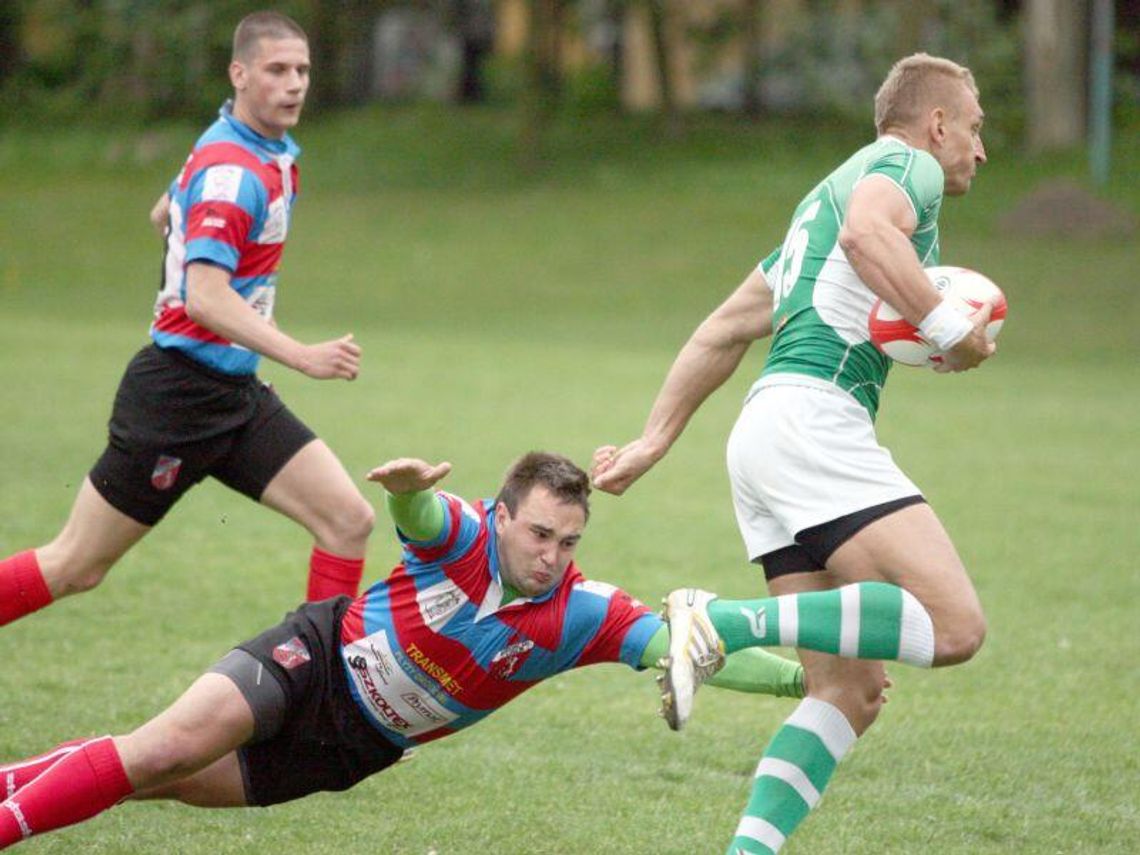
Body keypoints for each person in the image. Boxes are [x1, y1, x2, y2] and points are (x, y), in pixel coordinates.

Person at [592, 53, 995, 854]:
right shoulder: (901, 163)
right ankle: (722, 621)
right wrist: (950, 327)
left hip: (766, 432)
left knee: (850, 686)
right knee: (954, 626)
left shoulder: (820, 201)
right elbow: (868, 232)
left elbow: (724, 328)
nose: (981, 151)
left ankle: (749, 850)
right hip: (815, 421)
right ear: (939, 122)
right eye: (976, 129)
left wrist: (653, 440)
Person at [0, 452, 804, 846]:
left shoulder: (585, 615)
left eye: (567, 539)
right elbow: (420, 516)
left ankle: (10, 783)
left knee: (156, 779)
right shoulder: (461, 532)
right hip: (315, 659)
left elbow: (696, 645)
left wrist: (807, 676)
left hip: (356, 746)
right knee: (161, 747)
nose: (551, 554)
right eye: (537, 532)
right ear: (499, 515)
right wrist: (410, 486)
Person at [0, 11, 375, 629]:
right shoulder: (235, 172)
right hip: (174, 397)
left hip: (233, 395)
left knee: (347, 521)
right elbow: (203, 297)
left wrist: (188, 217)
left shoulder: (259, 150)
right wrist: (302, 355)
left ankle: (316, 693)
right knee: (76, 566)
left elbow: (163, 211)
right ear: (240, 73)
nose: (295, 84)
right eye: (277, 70)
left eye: (303, 70)